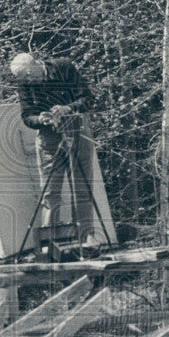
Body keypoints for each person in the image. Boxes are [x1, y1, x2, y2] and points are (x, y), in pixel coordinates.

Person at [10, 52, 104, 256]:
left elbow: (88, 98)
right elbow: (27, 115)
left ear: (35, 63)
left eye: (28, 75)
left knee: (82, 185)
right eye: (23, 79)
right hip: (48, 137)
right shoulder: (24, 83)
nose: (28, 81)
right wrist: (39, 119)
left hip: (76, 130)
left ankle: (86, 238)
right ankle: (49, 243)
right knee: (50, 191)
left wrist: (67, 108)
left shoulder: (64, 67)